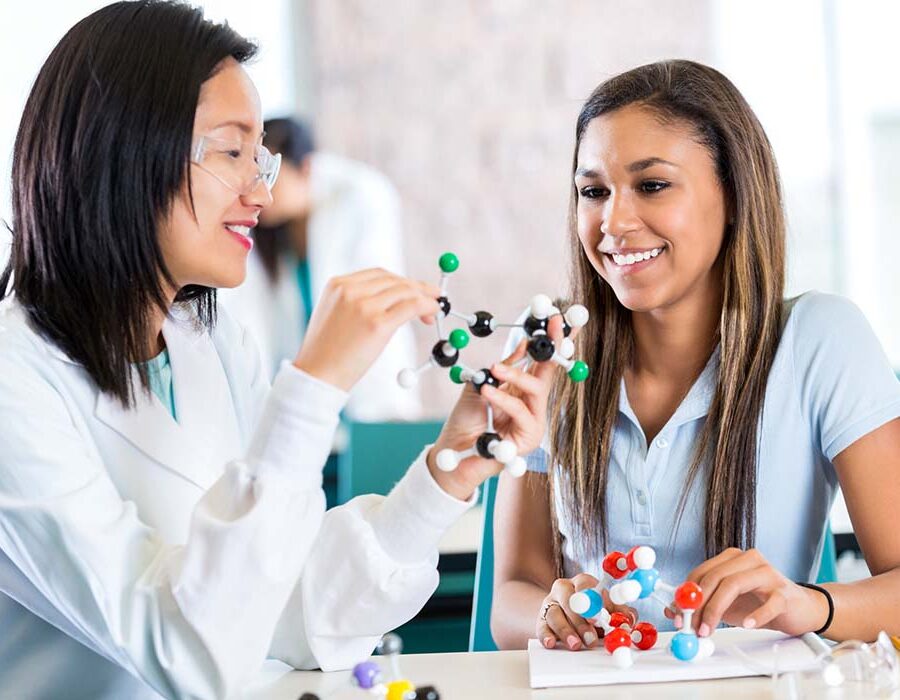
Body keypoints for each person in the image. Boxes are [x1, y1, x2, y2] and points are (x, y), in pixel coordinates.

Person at [0, 3, 552, 698]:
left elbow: (284, 610)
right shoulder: (13, 382)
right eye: (232, 152)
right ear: (121, 149)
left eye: (261, 156)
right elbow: (182, 654)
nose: (262, 191)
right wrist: (314, 386)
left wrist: (446, 471)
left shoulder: (211, 344)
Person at [486, 59, 900, 651]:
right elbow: (510, 601)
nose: (613, 221)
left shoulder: (820, 339)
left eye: (652, 185)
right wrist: (551, 613)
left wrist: (804, 603)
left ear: (732, 196)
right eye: (593, 191)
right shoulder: (548, 346)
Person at [218, 117, 419, 421]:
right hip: (295, 392)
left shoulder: (360, 196)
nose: (260, 191)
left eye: (272, 175)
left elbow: (374, 298)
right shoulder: (263, 232)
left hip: (363, 390)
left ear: (306, 168)